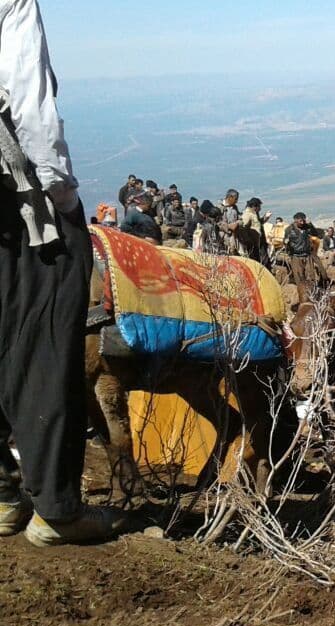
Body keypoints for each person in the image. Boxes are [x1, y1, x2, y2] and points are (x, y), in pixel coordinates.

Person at [0, 0, 129, 546]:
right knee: (48, 343)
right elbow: (30, 105)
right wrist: (64, 194)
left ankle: (4, 497)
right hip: (17, 205)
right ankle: (55, 508)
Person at [283, 212, 329, 295]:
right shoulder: (289, 229)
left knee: (310, 276)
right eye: (300, 221)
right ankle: (302, 295)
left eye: (303, 221)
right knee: (299, 277)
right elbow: (285, 242)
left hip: (307, 255)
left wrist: (311, 225)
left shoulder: (307, 227)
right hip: (296, 256)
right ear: (295, 220)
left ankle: (313, 294)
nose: (302, 223)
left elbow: (317, 234)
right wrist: (289, 251)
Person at [239, 197, 269, 263]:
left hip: (257, 242)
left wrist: (264, 219)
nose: (260, 209)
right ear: (254, 206)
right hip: (252, 243)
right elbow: (243, 228)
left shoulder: (254, 214)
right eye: (259, 206)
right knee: (254, 261)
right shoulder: (247, 214)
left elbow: (257, 225)